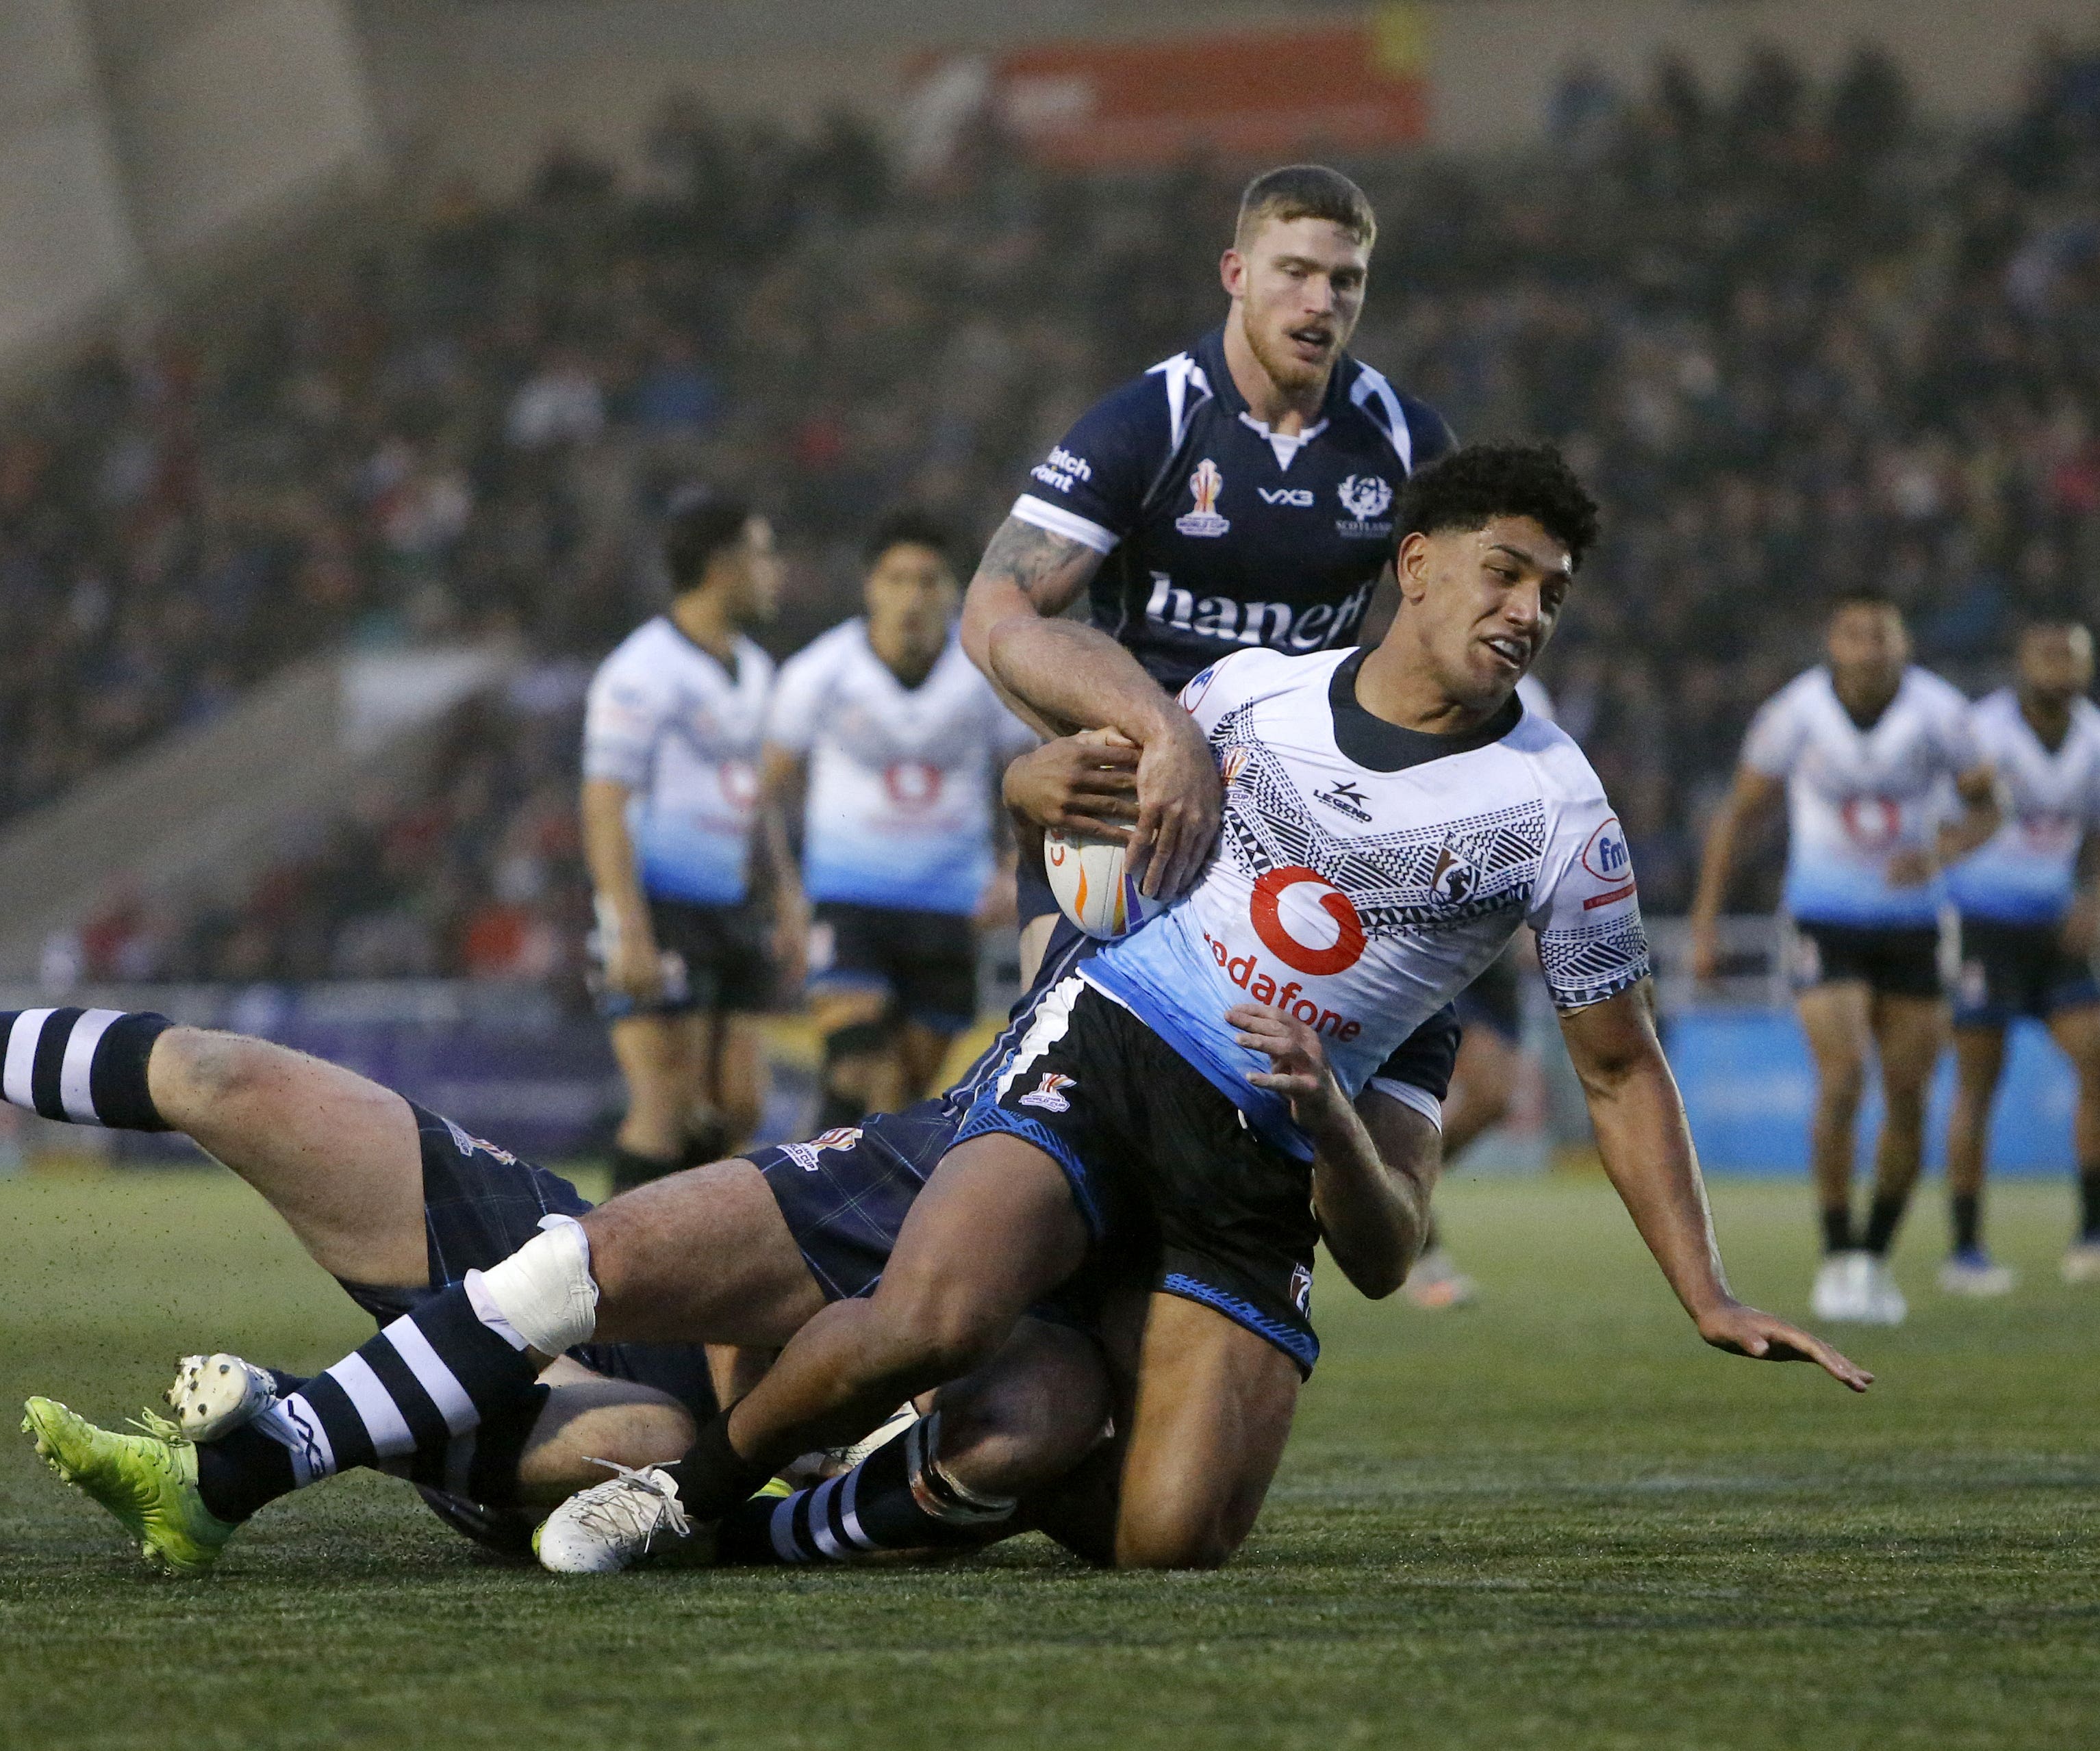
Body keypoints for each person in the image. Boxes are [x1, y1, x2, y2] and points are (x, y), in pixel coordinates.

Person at [539, 444, 1871, 1576]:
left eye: (1554, 593)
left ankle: (899, 1478)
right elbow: (1076, 827)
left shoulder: (1557, 814)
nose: (1528, 609)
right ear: (1415, 564)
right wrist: (1023, 792)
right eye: (1504, 571)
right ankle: (688, 1498)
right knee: (924, 1314)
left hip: (1264, 1150)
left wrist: (1703, 1292)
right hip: (1115, 1045)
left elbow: (1622, 1069)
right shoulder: (1243, 695)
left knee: (1176, 1537)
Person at [0, 886, 1143, 1575]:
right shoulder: (1097, 959)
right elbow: (1052, 886)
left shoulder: (1098, 1260)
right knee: (229, 1078)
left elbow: (1034, 1453)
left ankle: (295, 1426)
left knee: (646, 1441)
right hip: (620, 1255)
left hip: (672, 1434)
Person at [961, 162, 1456, 982]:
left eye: (1345, 281)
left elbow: (1449, 631)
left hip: (1301, 823)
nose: (1320, 302)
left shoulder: (1405, 442)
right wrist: (1115, 740)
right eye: (1294, 272)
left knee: (1308, 1103)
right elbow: (995, 607)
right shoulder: (1150, 421)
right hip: (1134, 811)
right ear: (1236, 272)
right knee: (1068, 1086)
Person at [1689, 593, 2004, 1327]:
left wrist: (1942, 851)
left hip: (1916, 927)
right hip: (1823, 919)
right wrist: (1705, 922)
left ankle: (1872, 1256)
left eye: (1884, 635)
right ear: (1833, 642)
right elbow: (1739, 813)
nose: (1871, 648)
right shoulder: (1794, 713)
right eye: (1857, 635)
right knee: (1843, 1076)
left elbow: (1992, 805)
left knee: (1909, 1096)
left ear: (1904, 642)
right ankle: (1835, 1251)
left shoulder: (1943, 715)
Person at [761, 509, 1030, 1128]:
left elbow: (1030, 778)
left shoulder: (986, 671)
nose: (911, 596)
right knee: (862, 1068)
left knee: (904, 1094)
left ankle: (837, 1202)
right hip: (847, 902)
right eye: (896, 579)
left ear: (953, 589)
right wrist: (785, 896)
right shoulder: (819, 672)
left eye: (927, 580)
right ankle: (819, 1212)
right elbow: (766, 794)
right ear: (870, 587)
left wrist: (1014, 867)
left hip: (948, 909)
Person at [582, 493, 797, 1191]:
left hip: (731, 908)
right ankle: (609, 1277)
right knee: (665, 1102)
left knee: (740, 1105)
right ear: (721, 566)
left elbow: (755, 798)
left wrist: (787, 897)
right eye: (763, 554)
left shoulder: (759, 670)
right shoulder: (641, 670)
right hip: (658, 903)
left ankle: (685, 1264)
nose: (776, 571)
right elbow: (603, 804)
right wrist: (629, 929)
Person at [1940, 622, 2100, 1294]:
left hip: (2058, 929)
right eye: (2047, 652)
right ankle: (1966, 1249)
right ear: (2020, 661)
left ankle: (2094, 1238)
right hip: (1982, 924)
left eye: (2072, 654)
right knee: (1980, 1080)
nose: (2059, 664)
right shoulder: (1981, 730)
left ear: (2089, 667)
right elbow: (1940, 824)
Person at [1401, 672, 1555, 1310]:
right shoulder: (1405, 688)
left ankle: (1393, 1195)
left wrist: (1543, 911)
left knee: (1492, 1098)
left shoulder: (1532, 704)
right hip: (1415, 924)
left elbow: (1549, 809)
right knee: (1391, 1101)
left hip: (1491, 931)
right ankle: (1421, 1252)